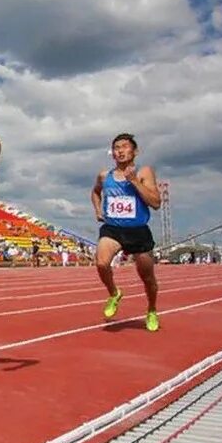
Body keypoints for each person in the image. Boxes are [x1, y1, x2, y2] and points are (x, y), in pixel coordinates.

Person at [91, 133, 162, 331]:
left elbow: (156, 203)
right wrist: (98, 210)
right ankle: (114, 293)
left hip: (138, 231)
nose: (120, 151)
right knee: (101, 263)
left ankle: (151, 309)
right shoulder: (105, 176)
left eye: (124, 147)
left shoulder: (144, 172)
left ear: (135, 151)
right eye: (116, 148)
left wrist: (135, 182)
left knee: (147, 278)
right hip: (113, 229)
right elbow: (95, 192)